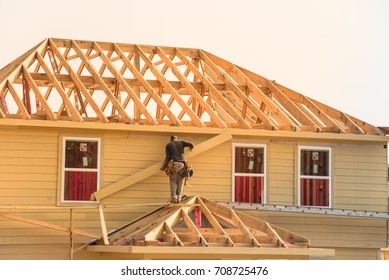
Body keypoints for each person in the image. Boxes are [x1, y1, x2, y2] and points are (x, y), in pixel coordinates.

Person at [161, 135, 194, 203]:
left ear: (171, 140)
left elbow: (168, 157)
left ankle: (174, 198)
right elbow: (191, 144)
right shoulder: (181, 142)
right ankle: (179, 197)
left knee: (173, 181)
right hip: (182, 165)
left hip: (174, 164)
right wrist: (191, 148)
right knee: (180, 181)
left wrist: (164, 166)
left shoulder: (169, 145)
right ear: (177, 139)